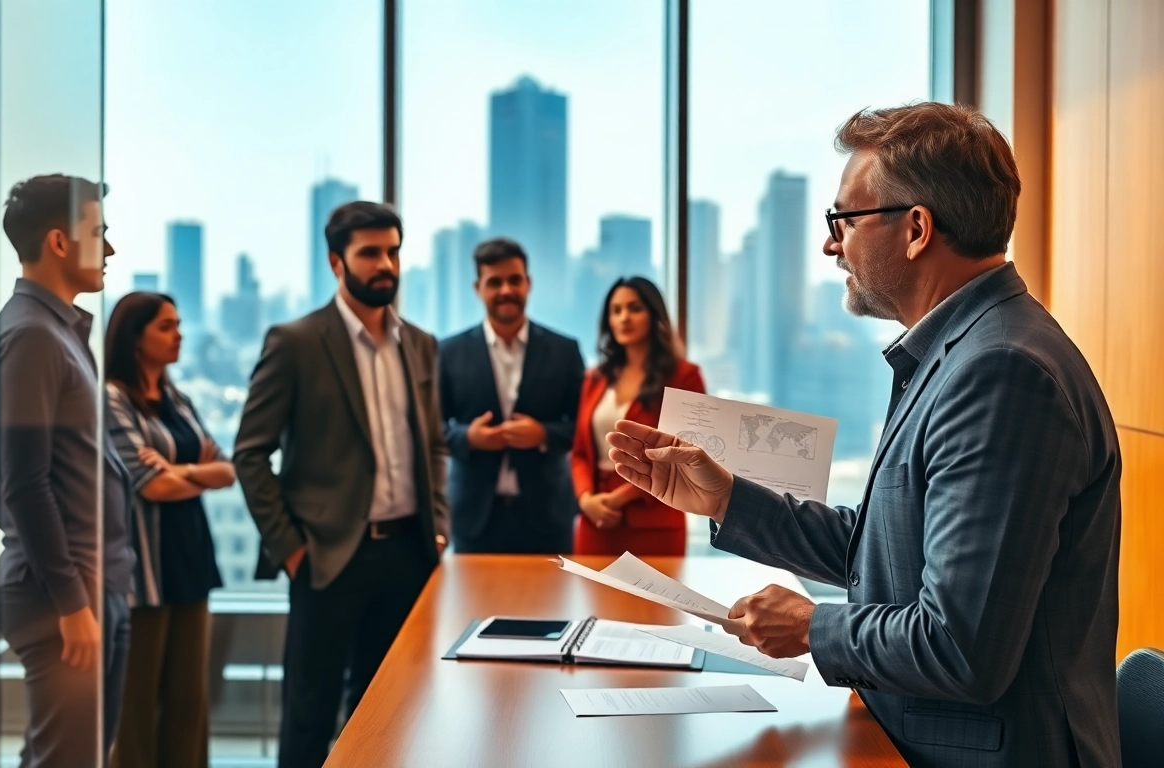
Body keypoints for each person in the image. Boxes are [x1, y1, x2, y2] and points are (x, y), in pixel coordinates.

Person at [605, 103, 1121, 767]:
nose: (830, 245)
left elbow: (961, 646)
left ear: (915, 230)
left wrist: (812, 626)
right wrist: (727, 498)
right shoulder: (959, 353)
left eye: (843, 220)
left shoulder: (1002, 373)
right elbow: (883, 548)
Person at [234, 201, 448, 768]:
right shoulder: (296, 342)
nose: (386, 264)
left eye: (393, 251)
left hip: (408, 554)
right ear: (336, 262)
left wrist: (440, 529)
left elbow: (433, 446)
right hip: (328, 558)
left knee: (390, 711)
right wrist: (293, 550)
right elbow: (250, 454)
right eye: (370, 253)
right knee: (310, 714)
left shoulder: (420, 343)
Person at [0, 175, 135, 768]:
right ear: (60, 243)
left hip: (90, 589)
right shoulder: (32, 338)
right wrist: (72, 602)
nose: (110, 250)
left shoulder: (56, 332)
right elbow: (24, 484)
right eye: (100, 234)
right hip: (63, 595)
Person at [104, 292, 235, 768]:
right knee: (136, 709)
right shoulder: (112, 398)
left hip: (189, 561)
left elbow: (226, 470)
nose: (179, 334)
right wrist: (189, 473)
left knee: (188, 703)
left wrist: (179, 472)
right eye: (166, 326)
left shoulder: (177, 398)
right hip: (143, 572)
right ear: (134, 338)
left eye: (178, 323)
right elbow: (149, 486)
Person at [438, 237, 584, 554]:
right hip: (474, 518)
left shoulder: (565, 350)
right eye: (495, 282)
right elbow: (430, 428)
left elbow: (582, 427)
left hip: (547, 517)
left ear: (528, 283)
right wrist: (469, 438)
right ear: (478, 288)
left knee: (550, 605)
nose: (506, 290)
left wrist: (543, 434)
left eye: (514, 280)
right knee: (474, 605)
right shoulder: (448, 352)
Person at [570, 276, 705, 556]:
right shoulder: (594, 378)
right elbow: (580, 453)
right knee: (592, 600)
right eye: (616, 311)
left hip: (654, 521)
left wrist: (619, 498)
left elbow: (686, 453)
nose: (624, 318)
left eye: (634, 308)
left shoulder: (684, 376)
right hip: (596, 521)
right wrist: (586, 499)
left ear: (654, 315)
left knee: (655, 601)